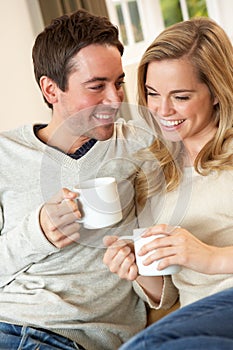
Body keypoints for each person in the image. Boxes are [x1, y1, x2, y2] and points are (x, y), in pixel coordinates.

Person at [0, 9, 156, 350]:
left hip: (76, 340)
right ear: (52, 90)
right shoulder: (5, 154)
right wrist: (38, 231)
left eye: (118, 83)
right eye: (96, 86)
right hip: (8, 324)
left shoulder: (140, 144)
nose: (115, 100)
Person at [103, 16, 233, 348]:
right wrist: (139, 267)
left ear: (216, 92)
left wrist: (210, 257)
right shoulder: (157, 173)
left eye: (181, 96)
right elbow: (167, 293)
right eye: (151, 93)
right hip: (196, 324)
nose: (162, 110)